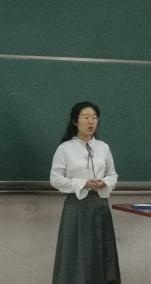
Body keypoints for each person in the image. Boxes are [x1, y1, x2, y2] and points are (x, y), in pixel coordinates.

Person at [51, 102, 121, 283]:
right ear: (75, 121)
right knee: (76, 252)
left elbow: (112, 174)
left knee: (101, 250)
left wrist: (104, 182)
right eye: (86, 117)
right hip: (76, 206)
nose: (91, 122)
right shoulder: (65, 149)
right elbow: (56, 179)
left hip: (100, 205)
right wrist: (83, 183)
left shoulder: (103, 147)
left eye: (94, 118)